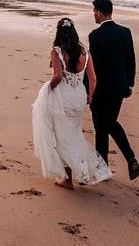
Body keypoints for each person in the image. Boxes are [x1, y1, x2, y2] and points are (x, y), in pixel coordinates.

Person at [32, 17, 112, 189]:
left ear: (59, 32)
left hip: (64, 99)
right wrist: (90, 95)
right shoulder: (84, 51)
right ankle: (83, 172)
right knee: (74, 135)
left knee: (61, 138)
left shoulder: (57, 51)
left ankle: (68, 179)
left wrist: (49, 88)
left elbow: (58, 76)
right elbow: (93, 78)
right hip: (79, 98)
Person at [88, 0, 139, 180]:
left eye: (94, 11)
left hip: (101, 90)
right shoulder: (125, 32)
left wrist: (89, 91)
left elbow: (93, 67)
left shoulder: (95, 36)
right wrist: (129, 84)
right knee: (106, 125)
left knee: (104, 126)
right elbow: (131, 60)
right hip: (119, 88)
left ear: (100, 13)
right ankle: (105, 169)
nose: (93, 14)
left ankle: (127, 159)